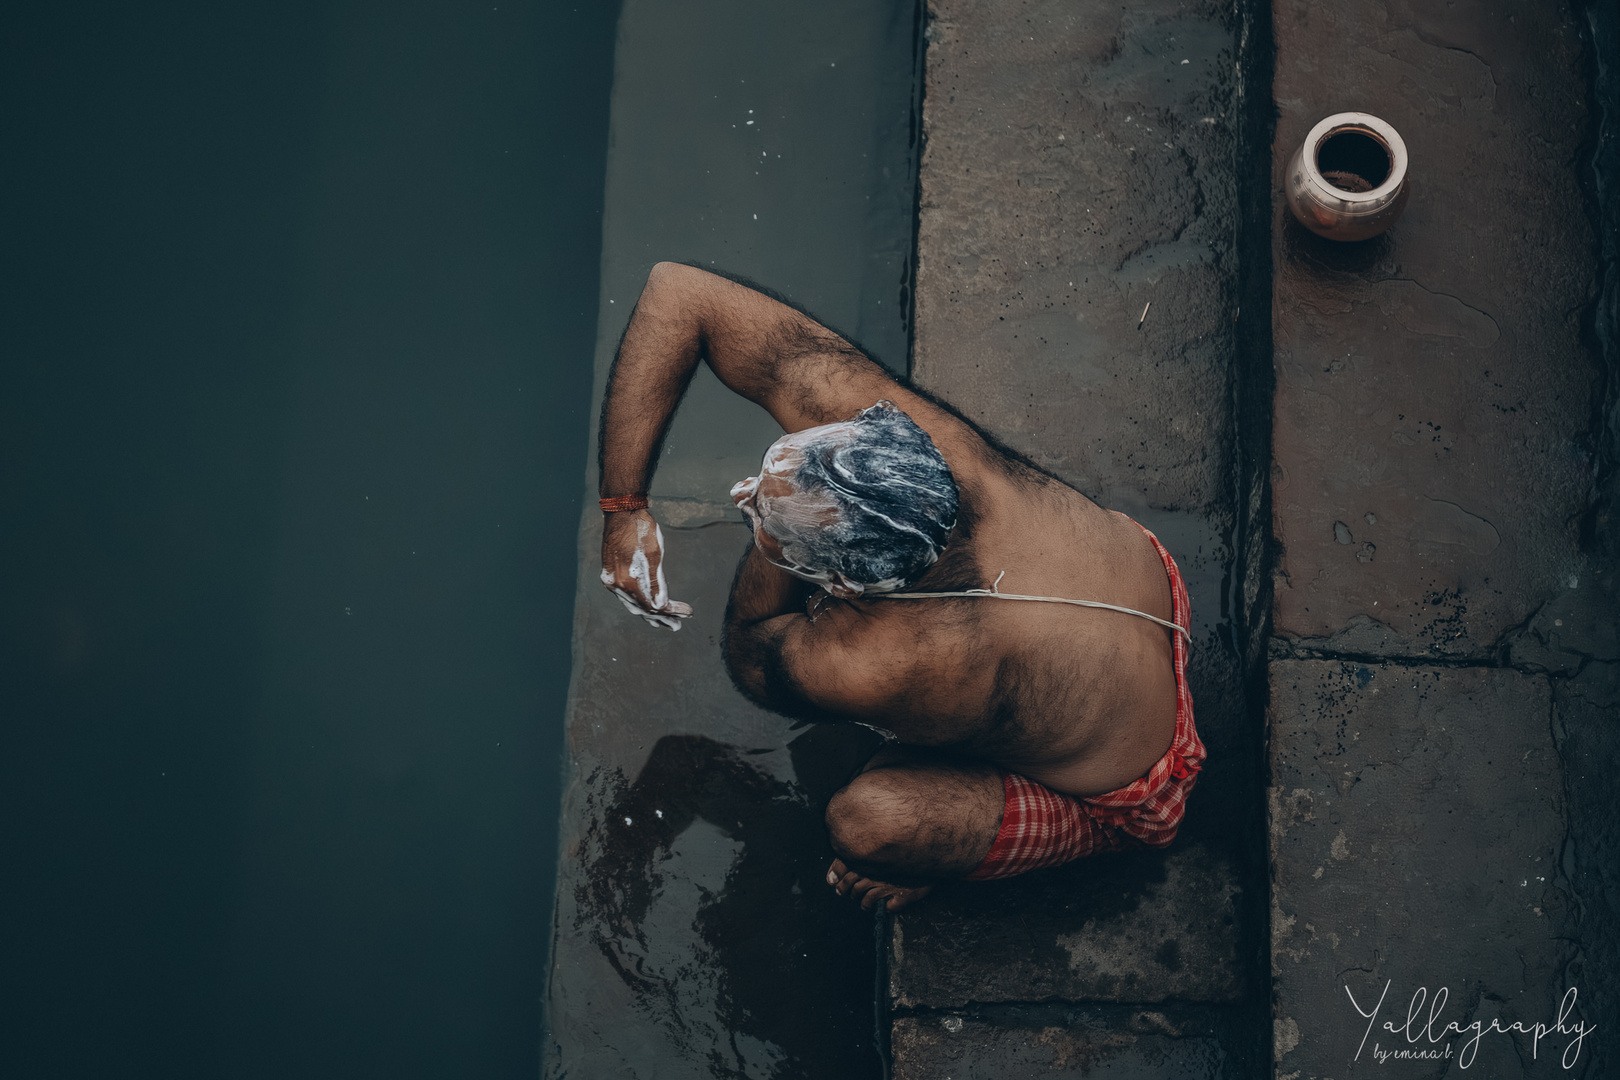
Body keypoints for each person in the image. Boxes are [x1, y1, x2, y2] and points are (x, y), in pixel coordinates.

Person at [598, 262, 1204, 911]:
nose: (744, 491)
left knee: (868, 822)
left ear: (850, 587)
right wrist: (623, 510)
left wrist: (776, 528)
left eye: (760, 509)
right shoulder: (921, 445)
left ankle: (1062, 842)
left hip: (1135, 787)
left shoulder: (896, 661)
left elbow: (751, 654)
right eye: (791, 455)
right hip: (1150, 589)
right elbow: (677, 291)